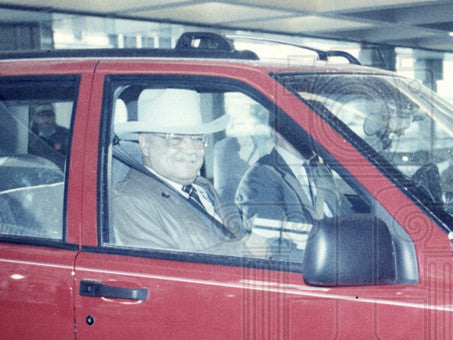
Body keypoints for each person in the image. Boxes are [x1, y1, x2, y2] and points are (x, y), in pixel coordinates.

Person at [111, 87, 268, 257]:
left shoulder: (202, 186)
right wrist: (246, 249)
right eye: (175, 139)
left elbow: (234, 234)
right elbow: (164, 273)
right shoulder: (129, 201)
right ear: (145, 144)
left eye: (197, 139)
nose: (191, 150)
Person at [235, 128, 344, 261]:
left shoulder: (321, 171)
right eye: (302, 127)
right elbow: (277, 248)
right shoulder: (260, 177)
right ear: (277, 131)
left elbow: (345, 215)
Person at [28, 103, 71, 167]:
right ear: (36, 119)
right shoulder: (31, 136)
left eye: (49, 115)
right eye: (42, 116)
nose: (46, 119)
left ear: (54, 117)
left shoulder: (66, 134)